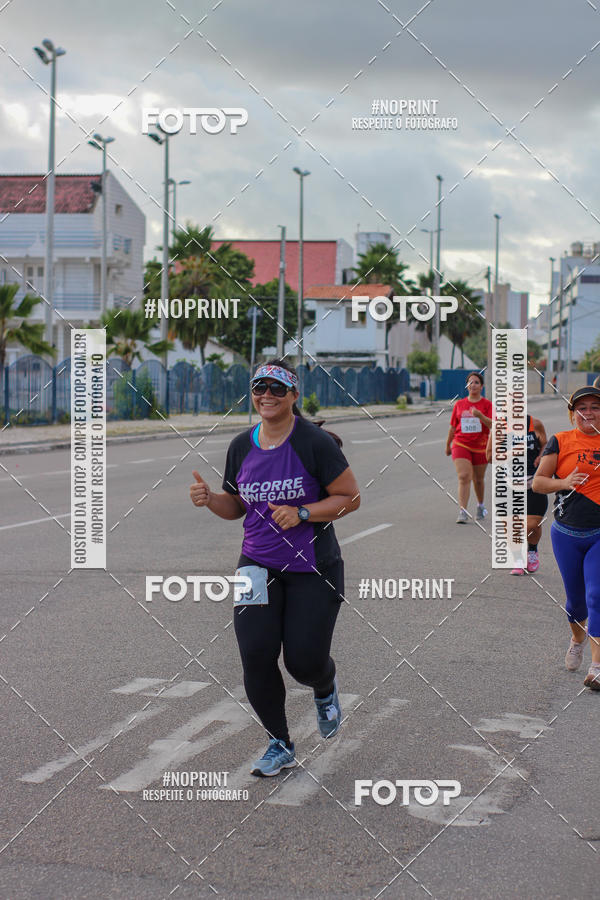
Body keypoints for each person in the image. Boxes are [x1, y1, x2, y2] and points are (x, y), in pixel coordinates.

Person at [189, 359, 361, 774]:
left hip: (313, 567)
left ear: (293, 396)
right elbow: (236, 506)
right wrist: (211, 499)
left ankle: (324, 686)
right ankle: (279, 742)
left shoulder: (313, 442)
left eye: (276, 388)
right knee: (255, 654)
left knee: (303, 661)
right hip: (256, 565)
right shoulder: (241, 446)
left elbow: (350, 498)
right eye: (258, 387)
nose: (266, 395)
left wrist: (303, 513)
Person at [532, 386, 600, 691]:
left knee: (596, 596)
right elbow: (538, 483)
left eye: (595, 407)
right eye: (582, 408)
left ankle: (596, 667)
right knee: (576, 603)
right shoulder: (561, 441)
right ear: (573, 414)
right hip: (567, 534)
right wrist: (564, 481)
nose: (589, 412)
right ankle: (577, 637)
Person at [486, 412, 548, 574]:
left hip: (533, 484)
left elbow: (545, 445)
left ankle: (532, 550)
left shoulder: (536, 423)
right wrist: (510, 453)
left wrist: (541, 457)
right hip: (507, 484)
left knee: (532, 525)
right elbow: (490, 456)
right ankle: (518, 559)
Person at [445, 372, 493, 524]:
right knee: (464, 476)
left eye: (476, 382)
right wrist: (448, 444)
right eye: (470, 382)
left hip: (481, 446)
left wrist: (480, 416)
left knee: (478, 480)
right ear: (467, 386)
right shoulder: (459, 404)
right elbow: (453, 427)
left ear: (482, 386)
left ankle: (480, 505)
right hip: (461, 444)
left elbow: (493, 425)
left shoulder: (487, 405)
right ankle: (463, 511)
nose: (473, 385)